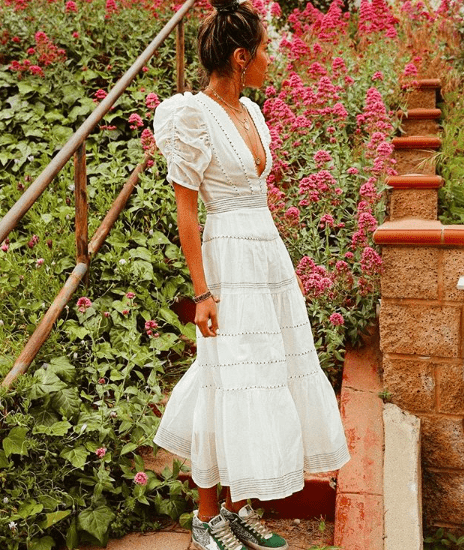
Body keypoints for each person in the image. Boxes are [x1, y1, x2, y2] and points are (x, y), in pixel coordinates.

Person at [152, 1, 350, 548]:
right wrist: (202, 292)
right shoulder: (192, 116)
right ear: (241, 57)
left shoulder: (255, 113)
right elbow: (187, 212)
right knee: (226, 378)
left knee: (264, 378)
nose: (270, 57)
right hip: (226, 262)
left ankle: (238, 510)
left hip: (266, 258)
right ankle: (205, 516)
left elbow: (257, 190)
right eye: (264, 49)